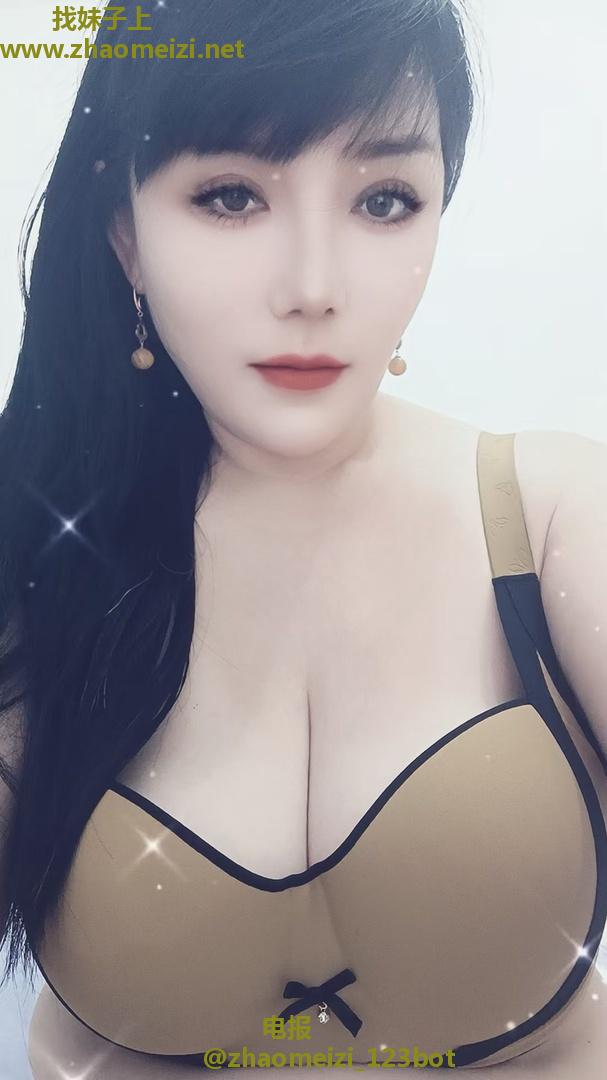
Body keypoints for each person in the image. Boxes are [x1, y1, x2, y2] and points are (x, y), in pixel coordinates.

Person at [1, 1, 606, 1077]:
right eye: (231, 196)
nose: (314, 289)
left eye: (384, 200)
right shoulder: (38, 550)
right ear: (125, 233)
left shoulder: (556, 520)